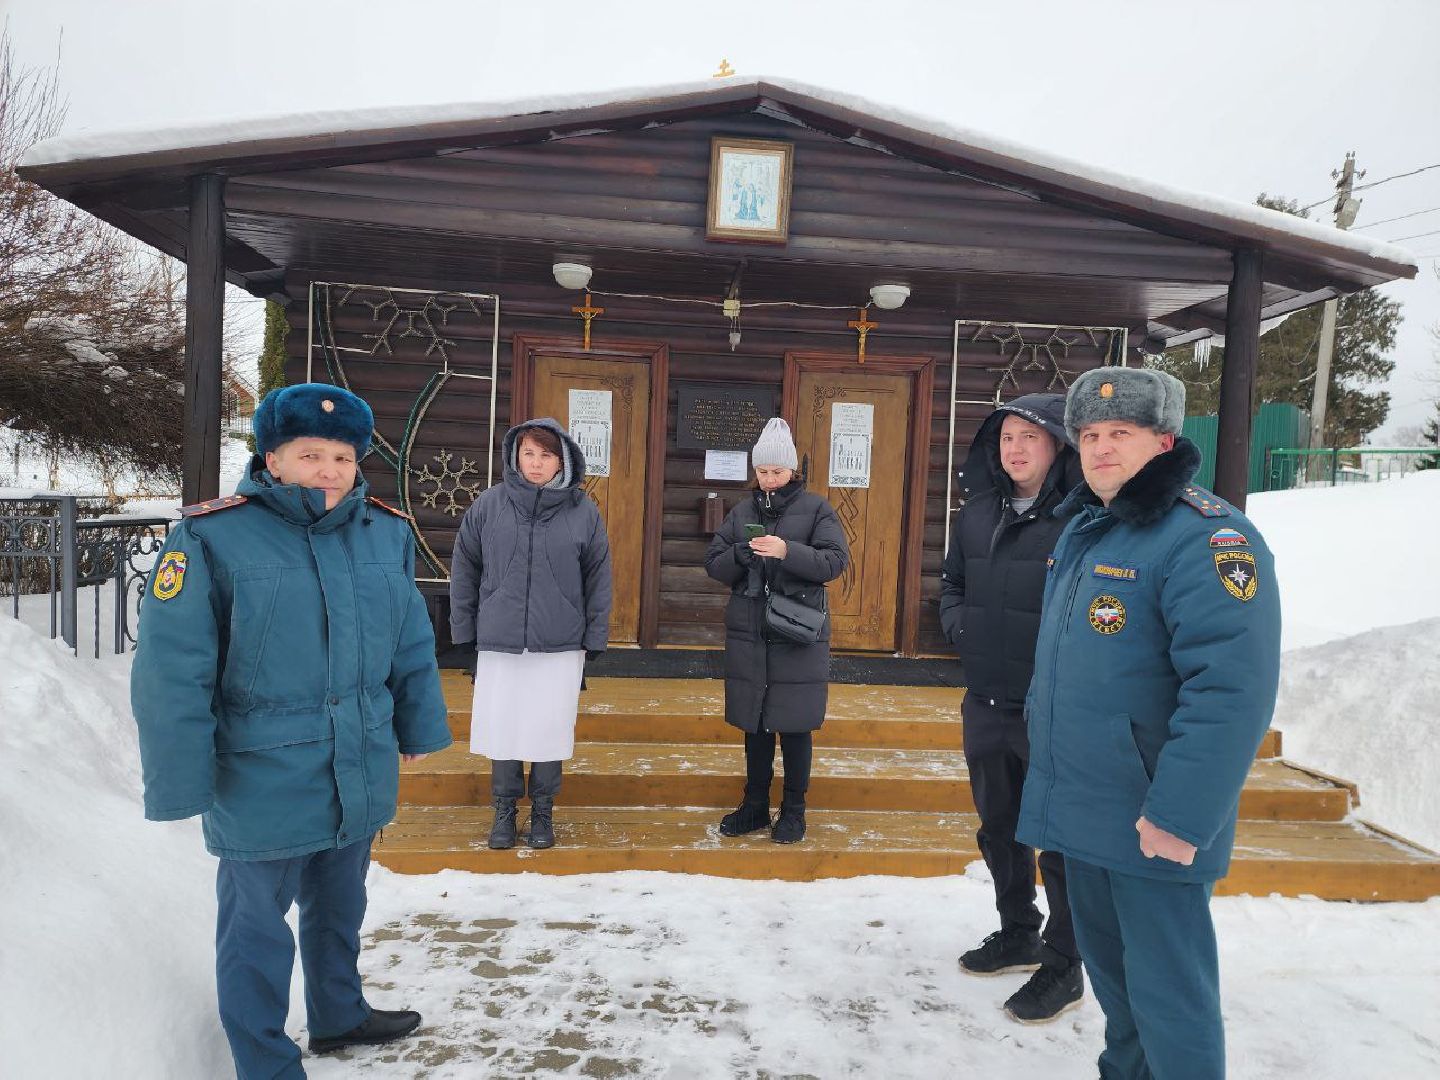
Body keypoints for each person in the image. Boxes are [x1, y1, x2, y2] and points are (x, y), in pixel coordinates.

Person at [130, 383, 453, 1079]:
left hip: (357, 759)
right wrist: (181, 778)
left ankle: (340, 1015)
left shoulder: (385, 532)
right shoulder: (212, 536)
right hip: (259, 769)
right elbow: (171, 668)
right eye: (311, 453)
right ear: (272, 458)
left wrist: (419, 721)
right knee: (254, 934)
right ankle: (266, 1064)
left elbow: (410, 641)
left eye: (342, 455)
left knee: (341, 905)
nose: (330, 469)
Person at [1018, 367, 1281, 1079]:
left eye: (1122, 434)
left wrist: (1180, 816)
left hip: (1153, 822)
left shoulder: (1208, 539)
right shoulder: (1091, 530)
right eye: (1091, 435)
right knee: (1122, 997)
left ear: (1163, 441)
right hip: (1089, 813)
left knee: (1172, 1001)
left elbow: (1232, 691)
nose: (1103, 449)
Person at [938, 392, 1084, 1024]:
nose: (1015, 449)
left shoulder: (1084, 516)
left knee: (1058, 838)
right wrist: (961, 629)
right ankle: (1018, 930)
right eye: (1005, 438)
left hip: (1053, 707)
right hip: (987, 698)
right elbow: (952, 584)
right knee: (999, 826)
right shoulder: (976, 513)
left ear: (1056, 444)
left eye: (1029, 436)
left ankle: (1064, 965)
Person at [448, 418, 612, 851]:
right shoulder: (489, 506)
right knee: (504, 727)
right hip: (500, 640)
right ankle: (504, 811)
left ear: (562, 461)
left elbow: (598, 577)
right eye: (529, 454)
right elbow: (465, 569)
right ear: (515, 457)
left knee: (547, 728)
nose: (536, 464)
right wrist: (463, 631)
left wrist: (595, 636)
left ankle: (543, 812)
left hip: (559, 643)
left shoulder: (583, 511)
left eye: (545, 455)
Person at [704, 417, 849, 844]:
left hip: (798, 633)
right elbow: (714, 563)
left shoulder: (818, 509)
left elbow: (834, 562)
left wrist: (788, 551)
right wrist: (742, 553)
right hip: (751, 631)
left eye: (777, 472)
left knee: (797, 726)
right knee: (756, 724)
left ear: (792, 472)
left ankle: (794, 809)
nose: (769, 480)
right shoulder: (742, 511)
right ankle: (754, 806)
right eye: (763, 472)